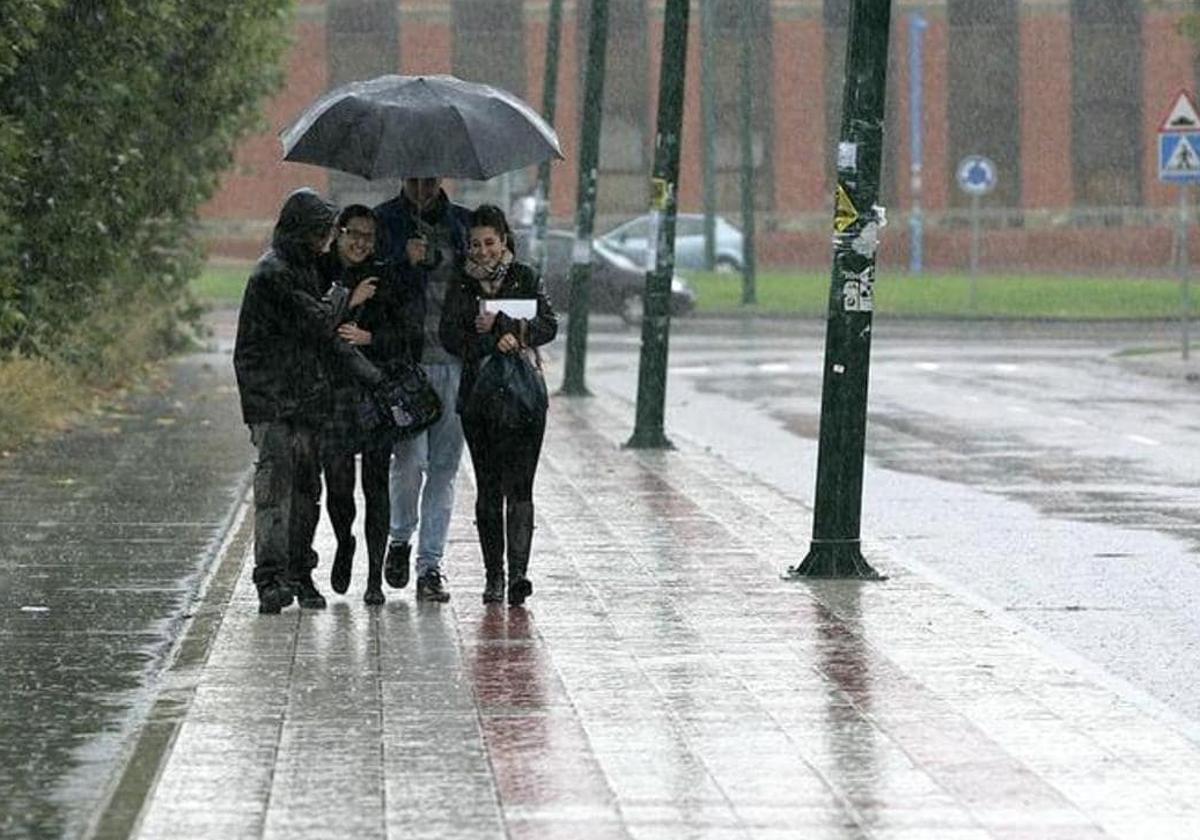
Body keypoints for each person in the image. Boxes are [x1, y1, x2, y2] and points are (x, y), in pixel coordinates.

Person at [233, 188, 377, 614]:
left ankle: (298, 570)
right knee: (276, 489)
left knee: (305, 489)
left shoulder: (303, 269)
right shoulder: (274, 274)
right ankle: (271, 577)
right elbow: (317, 323)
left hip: (304, 398)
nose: (327, 242)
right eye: (322, 233)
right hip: (274, 400)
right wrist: (344, 296)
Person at [440, 205, 557, 606]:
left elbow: (548, 325)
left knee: (521, 486)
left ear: (504, 240)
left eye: (490, 242)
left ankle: (519, 575)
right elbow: (451, 337)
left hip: (525, 398)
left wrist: (510, 329)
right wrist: (491, 340)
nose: (483, 251)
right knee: (489, 486)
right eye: (475, 244)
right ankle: (494, 576)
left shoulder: (525, 277)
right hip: (480, 397)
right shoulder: (461, 284)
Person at [375, 177, 472, 602]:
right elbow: (373, 289)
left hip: (455, 363)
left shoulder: (465, 225)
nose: (422, 186)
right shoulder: (385, 223)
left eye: (430, 177)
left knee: (445, 468)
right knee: (410, 461)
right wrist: (402, 260)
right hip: (408, 367)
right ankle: (400, 538)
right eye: (414, 178)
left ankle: (430, 566)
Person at [316, 205, 416, 606]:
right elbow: (311, 329)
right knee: (338, 485)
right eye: (353, 234)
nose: (360, 243)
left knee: (376, 485)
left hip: (375, 394)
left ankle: (374, 577)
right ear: (338, 234)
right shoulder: (320, 273)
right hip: (333, 394)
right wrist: (349, 298)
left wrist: (370, 337)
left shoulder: (386, 278)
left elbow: (404, 335)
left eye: (368, 237)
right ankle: (344, 541)